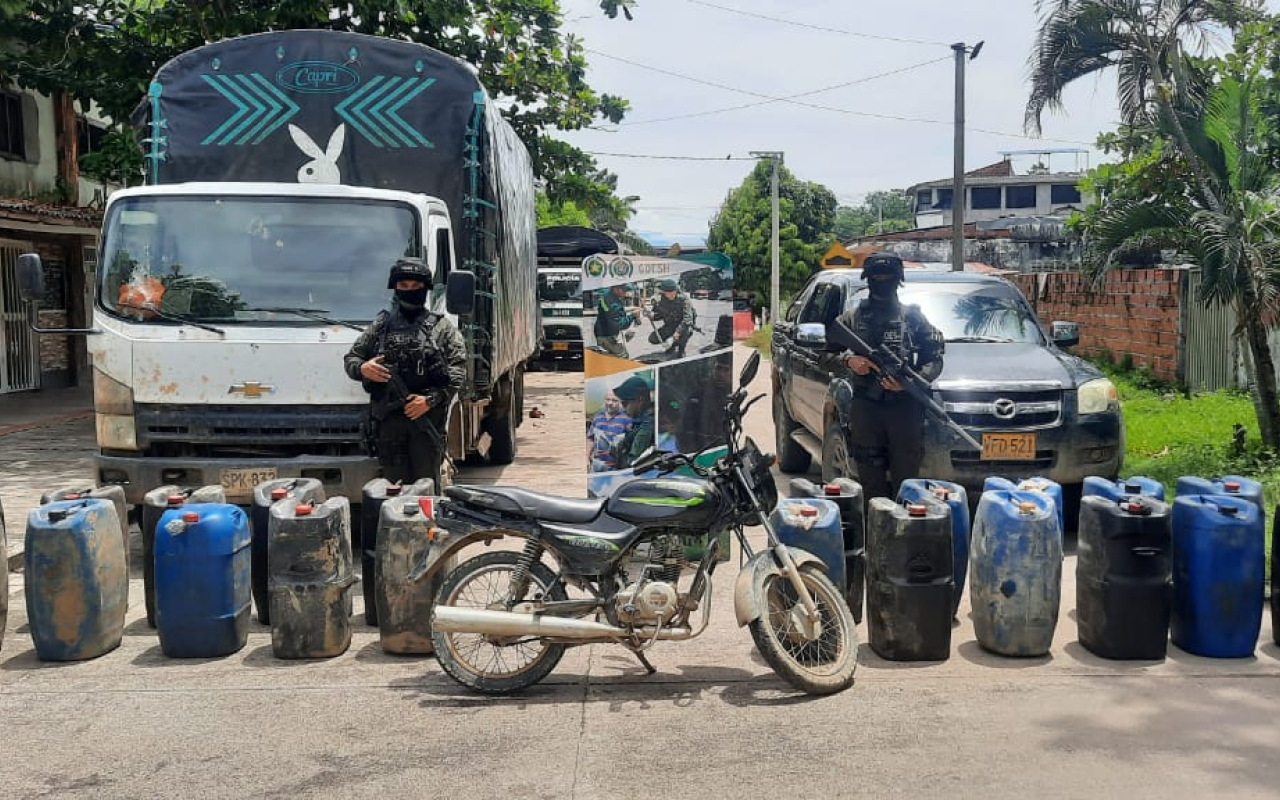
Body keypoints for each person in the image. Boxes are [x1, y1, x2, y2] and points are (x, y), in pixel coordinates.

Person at [344, 257, 466, 487]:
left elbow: (458, 370)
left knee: (426, 486)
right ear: (395, 288)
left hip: (425, 421)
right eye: (404, 286)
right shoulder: (381, 326)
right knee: (393, 488)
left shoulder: (442, 328)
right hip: (389, 425)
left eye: (416, 286)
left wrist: (430, 400)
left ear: (425, 288)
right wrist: (363, 368)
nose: (410, 291)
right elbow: (352, 358)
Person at [835, 251, 945, 502]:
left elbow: (935, 359)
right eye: (877, 276)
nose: (882, 281)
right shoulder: (853, 317)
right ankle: (874, 537)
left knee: (908, 488)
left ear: (898, 280)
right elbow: (824, 354)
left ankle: (904, 537)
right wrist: (849, 361)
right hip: (867, 410)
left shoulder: (914, 318)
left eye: (888, 276)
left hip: (905, 411)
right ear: (868, 279)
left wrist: (911, 382)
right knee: (871, 486)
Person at [611, 374, 654, 469]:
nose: (623, 407)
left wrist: (619, 449)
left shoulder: (647, 426)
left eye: (625, 403)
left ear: (640, 400)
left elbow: (632, 465)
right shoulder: (641, 421)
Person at [647, 278, 696, 357]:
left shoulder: (684, 299)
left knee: (687, 330)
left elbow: (688, 319)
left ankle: (681, 349)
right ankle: (672, 346)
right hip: (670, 326)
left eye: (673, 292)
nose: (669, 295)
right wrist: (651, 316)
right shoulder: (663, 299)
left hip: (683, 327)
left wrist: (675, 335)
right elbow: (661, 314)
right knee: (653, 338)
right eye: (666, 293)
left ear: (675, 291)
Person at [586, 390, 633, 472]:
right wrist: (586, 458)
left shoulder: (626, 419)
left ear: (621, 402)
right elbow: (590, 439)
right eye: (608, 399)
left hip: (615, 469)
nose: (610, 403)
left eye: (614, 400)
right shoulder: (597, 418)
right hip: (596, 465)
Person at [595, 283, 641, 358]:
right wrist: (633, 316)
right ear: (616, 289)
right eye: (624, 290)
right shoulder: (612, 304)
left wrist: (631, 309)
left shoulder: (609, 295)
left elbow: (616, 312)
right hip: (606, 336)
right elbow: (619, 324)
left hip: (603, 330)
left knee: (630, 333)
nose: (625, 293)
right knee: (624, 356)